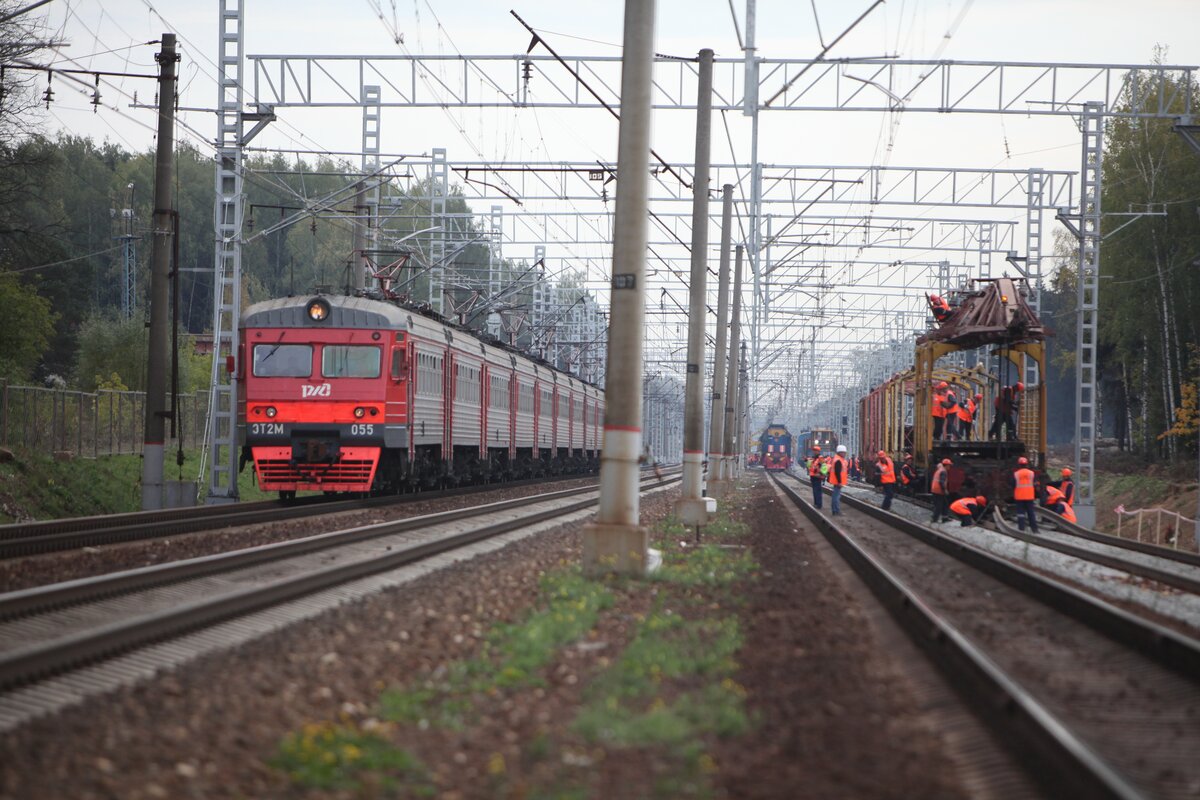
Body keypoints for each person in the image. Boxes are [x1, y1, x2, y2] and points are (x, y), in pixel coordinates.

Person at [1010, 456, 1039, 533]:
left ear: (1019, 465)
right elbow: (1035, 484)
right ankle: (1034, 529)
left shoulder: (1016, 474)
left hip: (1019, 496)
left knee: (1020, 513)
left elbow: (1013, 484)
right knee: (1031, 513)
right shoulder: (1031, 473)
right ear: (1027, 464)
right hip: (1029, 496)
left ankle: (1021, 528)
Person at [930, 457, 951, 523]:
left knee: (944, 504)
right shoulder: (943, 471)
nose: (950, 467)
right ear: (947, 465)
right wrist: (945, 490)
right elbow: (941, 482)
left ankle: (945, 518)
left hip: (935, 490)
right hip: (938, 491)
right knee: (939, 506)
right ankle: (934, 519)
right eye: (949, 465)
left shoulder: (939, 470)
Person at [829, 445, 849, 515]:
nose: (845, 454)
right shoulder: (838, 460)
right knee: (836, 497)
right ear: (840, 452)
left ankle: (835, 510)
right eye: (843, 452)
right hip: (837, 482)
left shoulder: (838, 459)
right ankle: (836, 511)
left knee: (836, 496)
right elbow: (837, 472)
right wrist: (839, 482)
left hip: (836, 481)